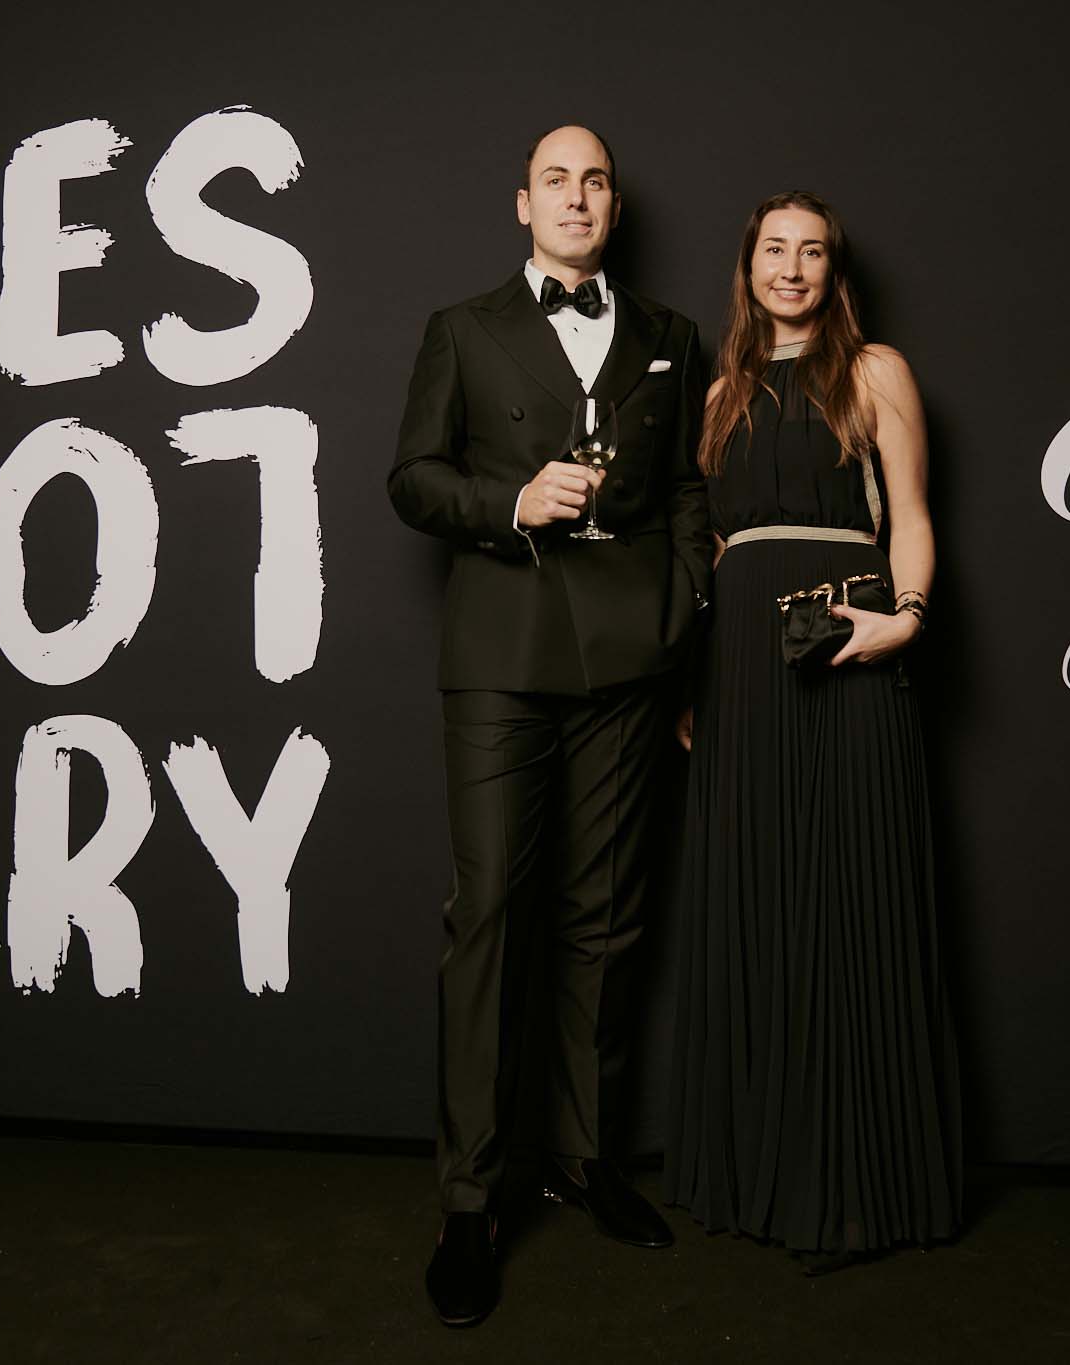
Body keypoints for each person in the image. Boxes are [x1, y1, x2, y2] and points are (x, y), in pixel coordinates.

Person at [388, 124, 713, 1327]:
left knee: (607, 920)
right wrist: (510, 501)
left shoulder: (672, 335)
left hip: (629, 661)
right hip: (501, 656)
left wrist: (678, 626)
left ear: (613, 206)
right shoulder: (461, 329)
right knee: (489, 918)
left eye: (595, 182)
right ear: (521, 203)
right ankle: (469, 1202)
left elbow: (688, 493)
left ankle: (583, 1159)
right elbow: (411, 478)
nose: (577, 198)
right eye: (555, 181)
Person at [663, 191, 961, 1268]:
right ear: (747, 267)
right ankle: (760, 1177)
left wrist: (906, 621)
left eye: (813, 252)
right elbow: (707, 555)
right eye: (774, 251)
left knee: (850, 900)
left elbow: (913, 517)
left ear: (834, 272)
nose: (791, 268)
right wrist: (692, 682)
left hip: (848, 644)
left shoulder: (874, 372)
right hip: (740, 669)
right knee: (758, 900)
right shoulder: (717, 394)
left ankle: (859, 1190)